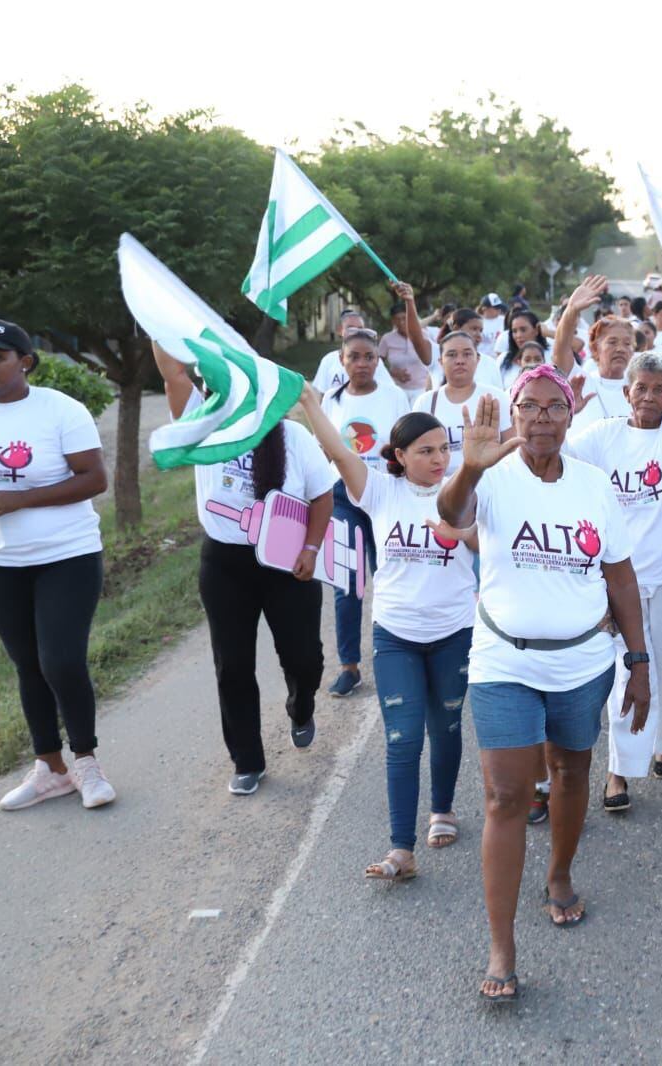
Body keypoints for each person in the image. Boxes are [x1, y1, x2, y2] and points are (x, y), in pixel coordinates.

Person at [436, 367, 650, 1005]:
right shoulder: (492, 476)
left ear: (571, 414)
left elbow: (620, 577)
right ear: (514, 414)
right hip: (504, 658)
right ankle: (502, 947)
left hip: (582, 663)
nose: (541, 419)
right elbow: (451, 515)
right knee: (505, 796)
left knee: (571, 773)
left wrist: (639, 661)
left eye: (555, 407)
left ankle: (559, 872)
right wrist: (469, 469)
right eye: (529, 406)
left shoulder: (593, 485)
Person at [301, 391, 479, 880]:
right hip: (396, 635)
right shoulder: (379, 490)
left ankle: (442, 809)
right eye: (426, 451)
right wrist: (310, 403)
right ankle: (401, 849)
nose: (439, 459)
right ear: (400, 455)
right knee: (402, 738)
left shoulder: (465, 491)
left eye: (444, 449)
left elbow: (490, 541)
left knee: (446, 727)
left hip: (454, 632)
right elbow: (338, 451)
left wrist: (463, 534)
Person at [151, 344, 333, 796]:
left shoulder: (293, 437)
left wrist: (312, 548)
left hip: (288, 560)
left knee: (304, 658)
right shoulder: (206, 425)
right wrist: (158, 318)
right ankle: (247, 760)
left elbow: (321, 494)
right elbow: (173, 374)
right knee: (232, 664)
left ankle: (301, 706)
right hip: (226, 564)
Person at [0, 320, 112, 810]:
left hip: (66, 556)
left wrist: (20, 499)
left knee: (61, 661)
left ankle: (86, 763)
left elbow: (94, 478)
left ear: (25, 362)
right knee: (27, 665)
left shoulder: (60, 410)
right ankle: (50, 769)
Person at [565, 324, 662, 811]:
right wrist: (568, 410)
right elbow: (558, 456)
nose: (649, 396)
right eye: (641, 388)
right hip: (619, 582)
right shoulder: (603, 435)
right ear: (626, 392)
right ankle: (619, 771)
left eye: (659, 389)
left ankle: (661, 742)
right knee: (626, 675)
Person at [322, 327, 412, 697]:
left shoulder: (395, 397)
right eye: (354, 357)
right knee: (348, 582)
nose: (362, 363)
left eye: (369, 357)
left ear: (378, 360)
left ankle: (399, 657)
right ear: (341, 361)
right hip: (343, 498)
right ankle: (349, 666)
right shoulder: (332, 400)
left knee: (389, 577)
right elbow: (323, 449)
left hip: (384, 496)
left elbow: (405, 447)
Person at [417, 331, 511, 476]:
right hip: (440, 484)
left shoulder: (496, 398)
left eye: (467, 354)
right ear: (441, 362)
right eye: (452, 355)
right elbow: (417, 451)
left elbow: (512, 450)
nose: (460, 360)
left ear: (477, 359)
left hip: (489, 482)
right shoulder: (426, 402)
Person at [554, 277, 635, 422]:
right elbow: (561, 348)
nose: (621, 349)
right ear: (595, 348)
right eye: (612, 342)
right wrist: (571, 310)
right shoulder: (580, 381)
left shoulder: (638, 389)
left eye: (627, 343)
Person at [311, 309, 396, 394]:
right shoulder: (328, 360)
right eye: (350, 328)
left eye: (360, 329)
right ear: (340, 330)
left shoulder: (373, 360)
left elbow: (389, 390)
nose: (356, 333)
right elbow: (319, 393)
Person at [378, 284, 434, 402]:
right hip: (396, 390)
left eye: (404, 318)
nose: (401, 322)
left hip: (422, 390)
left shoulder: (423, 335)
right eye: (397, 319)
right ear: (393, 321)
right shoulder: (387, 339)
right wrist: (392, 373)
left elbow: (433, 363)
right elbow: (377, 364)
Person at [498, 309, 549, 390]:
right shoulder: (503, 358)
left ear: (536, 330)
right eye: (514, 331)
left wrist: (549, 332)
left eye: (523, 330)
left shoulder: (550, 354)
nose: (518, 335)